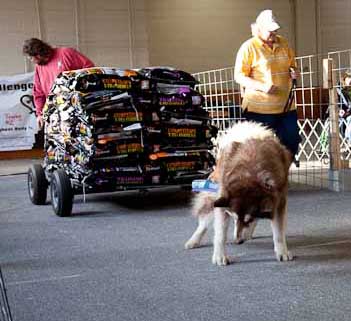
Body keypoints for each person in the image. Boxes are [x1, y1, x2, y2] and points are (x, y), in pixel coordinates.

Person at [234, 9, 300, 161]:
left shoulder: (283, 43)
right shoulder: (248, 47)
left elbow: (292, 65)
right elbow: (239, 76)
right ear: (258, 29)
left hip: (286, 106)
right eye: (269, 31)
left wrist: (293, 72)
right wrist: (262, 86)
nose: (273, 34)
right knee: (259, 150)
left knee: (292, 141)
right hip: (259, 108)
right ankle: (263, 179)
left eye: (275, 30)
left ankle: (281, 173)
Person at [23, 38, 94, 128]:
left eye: (31, 57)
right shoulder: (39, 67)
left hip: (77, 109)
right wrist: (40, 114)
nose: (32, 61)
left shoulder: (66, 53)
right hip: (54, 115)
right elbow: (38, 92)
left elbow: (90, 69)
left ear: (39, 54)